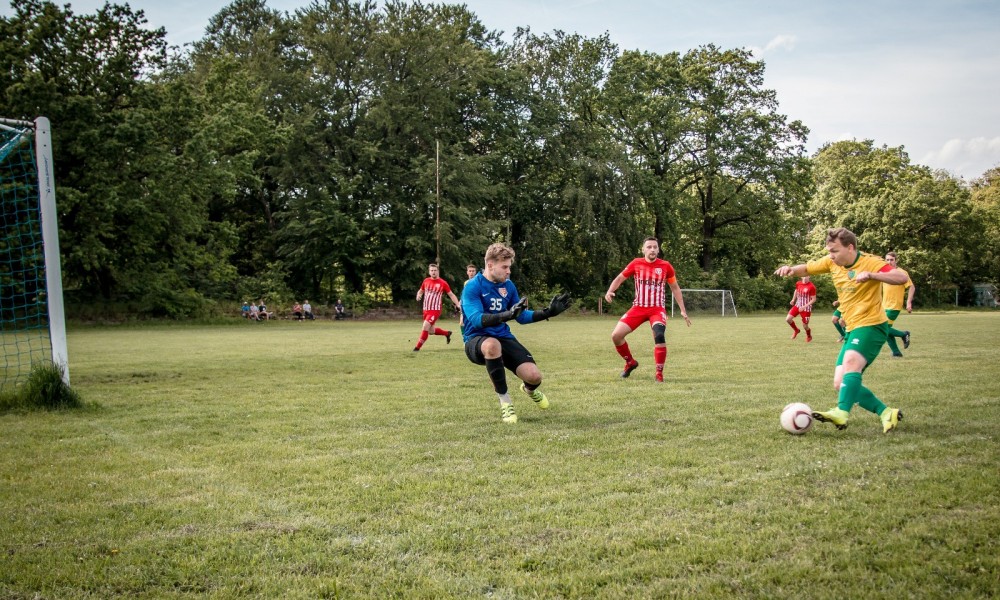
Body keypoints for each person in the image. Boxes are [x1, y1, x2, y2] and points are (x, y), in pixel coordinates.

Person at [774, 227, 909, 433]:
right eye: (829, 251)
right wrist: (791, 269)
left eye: (835, 251)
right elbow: (808, 268)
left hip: (872, 324)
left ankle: (841, 413)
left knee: (850, 364)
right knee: (840, 383)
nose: (831, 255)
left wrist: (872, 275)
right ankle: (886, 412)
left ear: (850, 247)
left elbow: (900, 278)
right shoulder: (831, 262)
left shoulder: (871, 262)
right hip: (853, 327)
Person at [462, 243, 571, 423]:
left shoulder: (508, 286)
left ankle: (528, 389)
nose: (508, 271)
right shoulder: (473, 287)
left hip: (503, 337)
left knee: (534, 376)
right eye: (504, 267)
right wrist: (507, 314)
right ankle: (505, 402)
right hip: (476, 340)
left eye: (509, 267)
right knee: (492, 345)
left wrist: (547, 313)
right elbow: (476, 319)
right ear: (490, 265)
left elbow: (521, 316)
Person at [604, 236, 691, 383]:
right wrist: (610, 291)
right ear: (643, 249)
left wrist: (682, 310)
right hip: (638, 308)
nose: (652, 250)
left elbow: (675, 287)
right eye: (649, 247)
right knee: (616, 336)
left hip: (657, 310)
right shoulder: (636, 263)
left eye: (655, 247)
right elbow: (619, 278)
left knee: (659, 335)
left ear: (658, 249)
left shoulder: (666, 266)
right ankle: (630, 362)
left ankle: (659, 374)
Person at [413, 263, 462, 351]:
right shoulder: (426, 281)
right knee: (431, 331)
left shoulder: (443, 283)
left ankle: (416, 348)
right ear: (429, 272)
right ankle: (447, 333)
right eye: (431, 270)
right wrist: (418, 295)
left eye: (435, 270)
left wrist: (457, 304)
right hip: (426, 309)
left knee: (425, 326)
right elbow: (420, 291)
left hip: (435, 310)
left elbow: (451, 294)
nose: (433, 272)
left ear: (438, 271)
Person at [882, 251, 915, 357]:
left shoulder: (901, 272)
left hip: (894, 306)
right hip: (884, 305)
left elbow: (911, 287)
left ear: (896, 260)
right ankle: (896, 352)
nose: (889, 262)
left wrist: (908, 302)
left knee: (883, 328)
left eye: (891, 259)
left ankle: (903, 334)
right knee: (886, 329)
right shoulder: (883, 271)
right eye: (887, 259)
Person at [785, 275, 817, 341]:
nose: (805, 277)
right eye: (803, 276)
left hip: (806, 308)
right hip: (797, 305)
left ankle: (809, 336)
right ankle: (796, 330)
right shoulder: (798, 283)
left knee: (805, 326)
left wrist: (804, 306)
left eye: (806, 276)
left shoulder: (812, 287)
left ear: (809, 276)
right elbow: (796, 291)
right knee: (788, 319)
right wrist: (793, 299)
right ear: (801, 277)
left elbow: (813, 299)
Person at [459, 263, 478, 328]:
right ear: (467, 272)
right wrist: (461, 301)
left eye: (473, 271)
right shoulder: (466, 283)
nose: (471, 273)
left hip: (475, 306)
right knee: (462, 323)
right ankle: (464, 337)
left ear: (475, 272)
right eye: (470, 271)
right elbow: (464, 294)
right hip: (466, 305)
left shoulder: (478, 282)